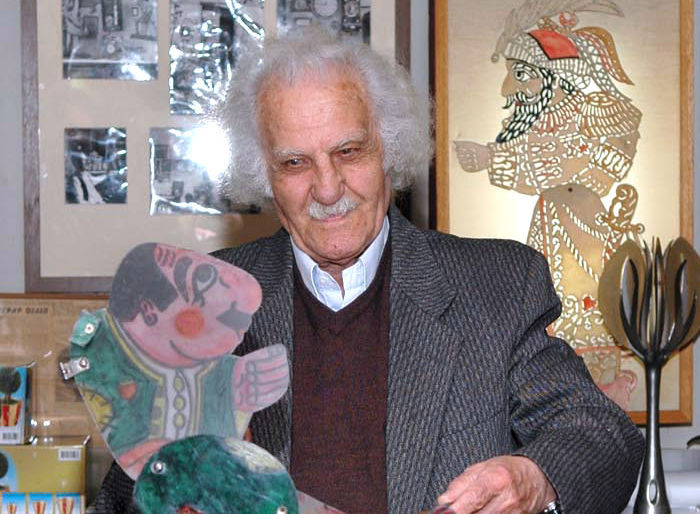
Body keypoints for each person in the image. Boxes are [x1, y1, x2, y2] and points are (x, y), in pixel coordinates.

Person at [91, 28, 643, 514]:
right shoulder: (204, 299)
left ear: (388, 150)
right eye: (295, 163)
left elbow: (601, 435)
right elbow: (123, 495)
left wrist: (535, 479)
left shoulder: (496, 285)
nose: (327, 188)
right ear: (264, 175)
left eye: (349, 152)